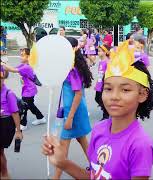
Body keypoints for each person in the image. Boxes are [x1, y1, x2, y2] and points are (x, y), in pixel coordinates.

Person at [42, 40, 153, 179]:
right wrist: (63, 163)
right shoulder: (99, 129)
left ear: (142, 94)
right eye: (108, 88)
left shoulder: (140, 145)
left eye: (125, 90)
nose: (114, 96)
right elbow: (93, 176)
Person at [53, 37, 93, 179]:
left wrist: (69, 118)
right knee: (82, 140)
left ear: (75, 48)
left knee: (63, 146)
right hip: (74, 110)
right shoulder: (69, 65)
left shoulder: (73, 69)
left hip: (73, 112)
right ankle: (97, 168)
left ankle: (55, 178)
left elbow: (78, 94)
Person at [1, 48, 46, 130]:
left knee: (23, 106)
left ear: (28, 57)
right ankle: (41, 118)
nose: (20, 57)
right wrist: (4, 64)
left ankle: (23, 124)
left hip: (29, 91)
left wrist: (2, 65)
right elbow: (12, 68)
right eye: (20, 55)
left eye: (22, 55)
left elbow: (13, 70)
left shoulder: (27, 67)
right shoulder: (23, 65)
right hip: (28, 90)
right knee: (31, 106)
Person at [0, 66, 23, 179]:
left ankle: (4, 175)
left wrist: (18, 131)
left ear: (3, 78)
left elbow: (15, 113)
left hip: (4, 125)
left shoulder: (9, 94)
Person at [95, 44, 111, 120]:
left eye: (100, 51)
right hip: (99, 83)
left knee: (102, 99)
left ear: (105, 52)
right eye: (98, 51)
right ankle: (106, 109)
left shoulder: (107, 62)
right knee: (97, 98)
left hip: (104, 84)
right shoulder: (101, 61)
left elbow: (108, 74)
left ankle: (106, 115)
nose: (98, 53)